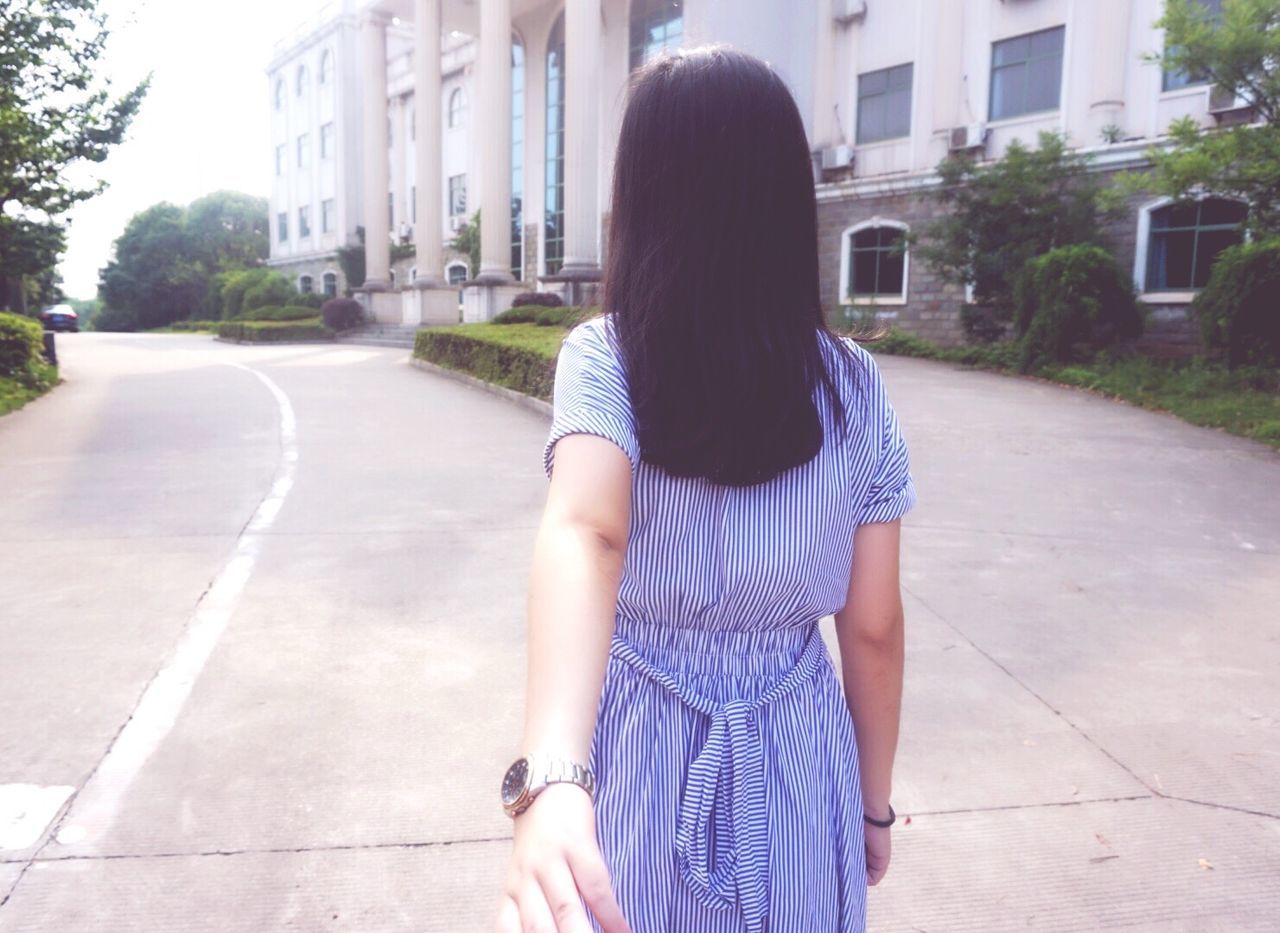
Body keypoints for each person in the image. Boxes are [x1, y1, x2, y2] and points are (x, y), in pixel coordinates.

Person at [495, 45, 917, 933]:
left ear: (642, 197)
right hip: (798, 748)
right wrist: (872, 803)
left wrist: (557, 776)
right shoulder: (855, 383)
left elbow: (585, 530)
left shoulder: (602, 357)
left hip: (637, 745)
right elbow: (872, 628)